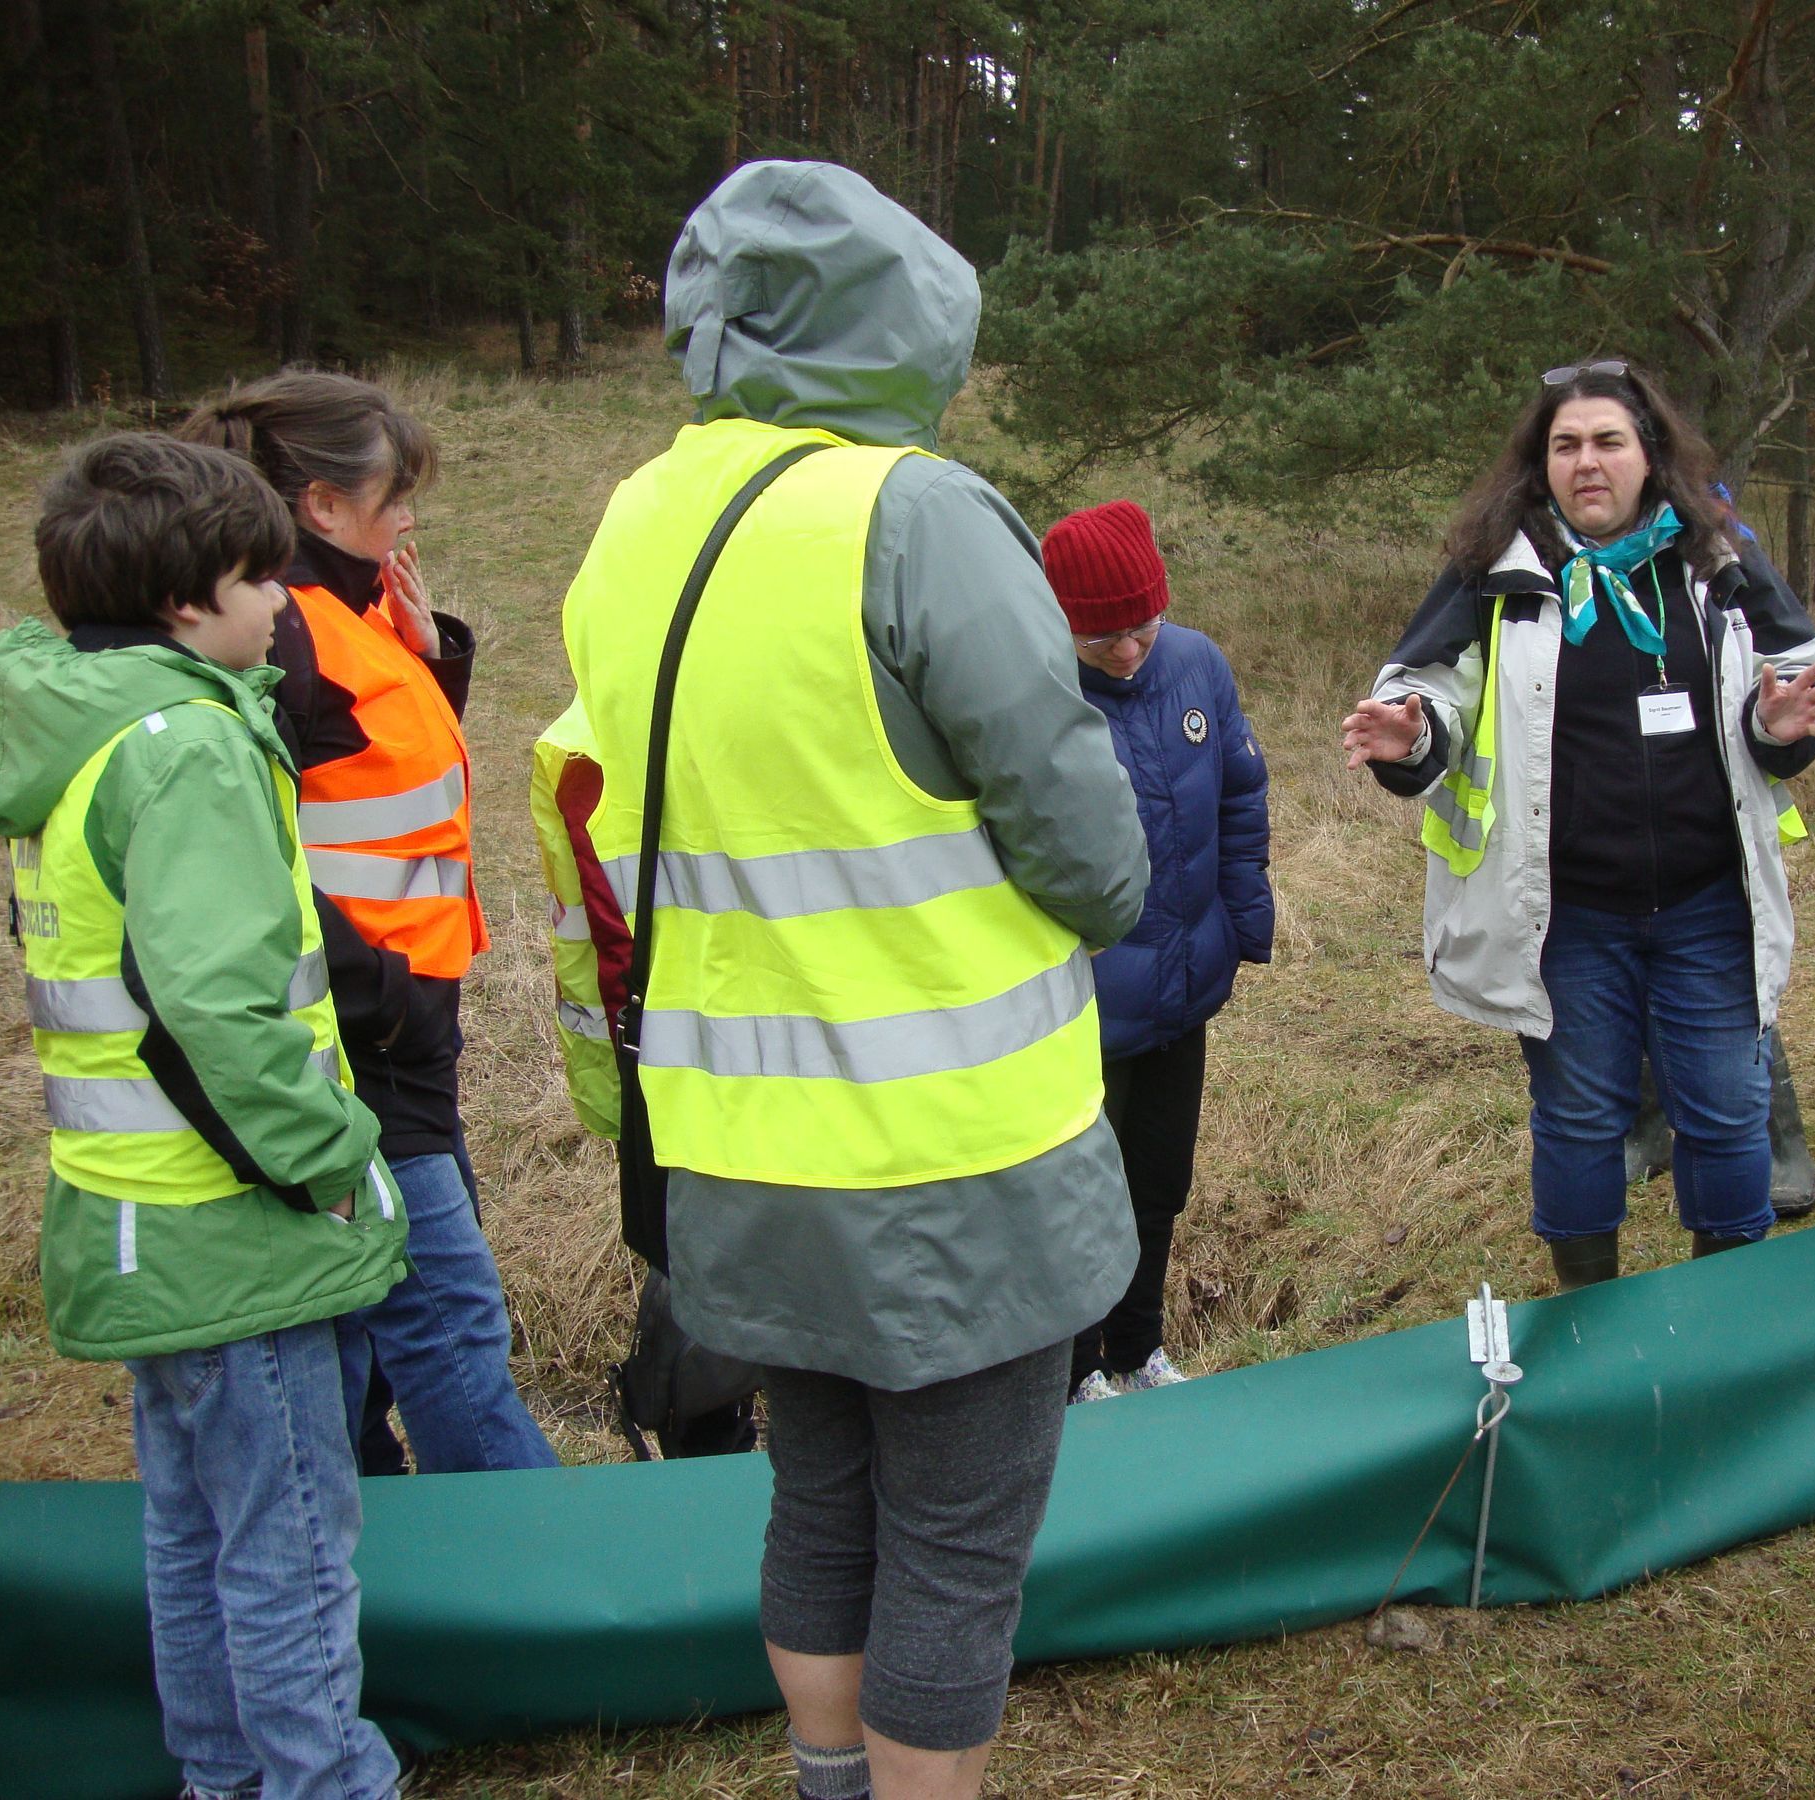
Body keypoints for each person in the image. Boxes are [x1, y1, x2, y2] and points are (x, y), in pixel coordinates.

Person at [559, 161, 1147, 1800]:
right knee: (954, 1545)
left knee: (819, 1499)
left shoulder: (635, 516)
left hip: (737, 1139)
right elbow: (1084, 844)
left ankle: (828, 1779)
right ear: (904, 323)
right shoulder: (914, 513)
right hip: (949, 1153)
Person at [3, 434, 409, 1800]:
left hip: (138, 1216)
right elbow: (215, 1010)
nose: (286, 601)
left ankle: (223, 1776)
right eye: (261, 578)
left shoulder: (83, 735)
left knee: (190, 1535)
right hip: (238, 1229)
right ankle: (323, 1780)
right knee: (290, 1548)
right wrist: (330, 1158)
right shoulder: (189, 753)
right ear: (187, 602)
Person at [1340, 358, 1815, 1291]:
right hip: (1567, 916)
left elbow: (1800, 680)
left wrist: (1775, 727)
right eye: (1566, 445)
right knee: (1578, 1121)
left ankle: (1726, 1320)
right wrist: (1413, 736)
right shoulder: (1497, 571)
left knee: (1728, 1113)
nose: (1587, 462)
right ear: (1543, 465)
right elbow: (1425, 691)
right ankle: (1587, 1324)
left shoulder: (1717, 558)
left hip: (1707, 905)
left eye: (1609, 441)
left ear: (1650, 455)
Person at [180, 373, 555, 1477]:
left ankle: (367, 1521)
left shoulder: (354, 611)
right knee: (445, 1326)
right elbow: (251, 849)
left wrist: (434, 659)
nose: (410, 518)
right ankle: (529, 1551)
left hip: (402, 1025)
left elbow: (381, 784)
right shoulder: (280, 630)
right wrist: (374, 995)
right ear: (321, 504)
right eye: (395, 496)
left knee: (374, 1327)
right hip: (358, 1039)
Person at [1039, 499, 1273, 1403]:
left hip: (1183, 988)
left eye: (1142, 627)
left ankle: (1140, 1351)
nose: (1129, 652)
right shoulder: (1035, 699)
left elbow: (1240, 795)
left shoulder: (1197, 664)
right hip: (1085, 1009)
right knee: (1081, 1196)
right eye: (1101, 639)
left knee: (1157, 1185)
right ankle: (1076, 1372)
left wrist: (1242, 923)